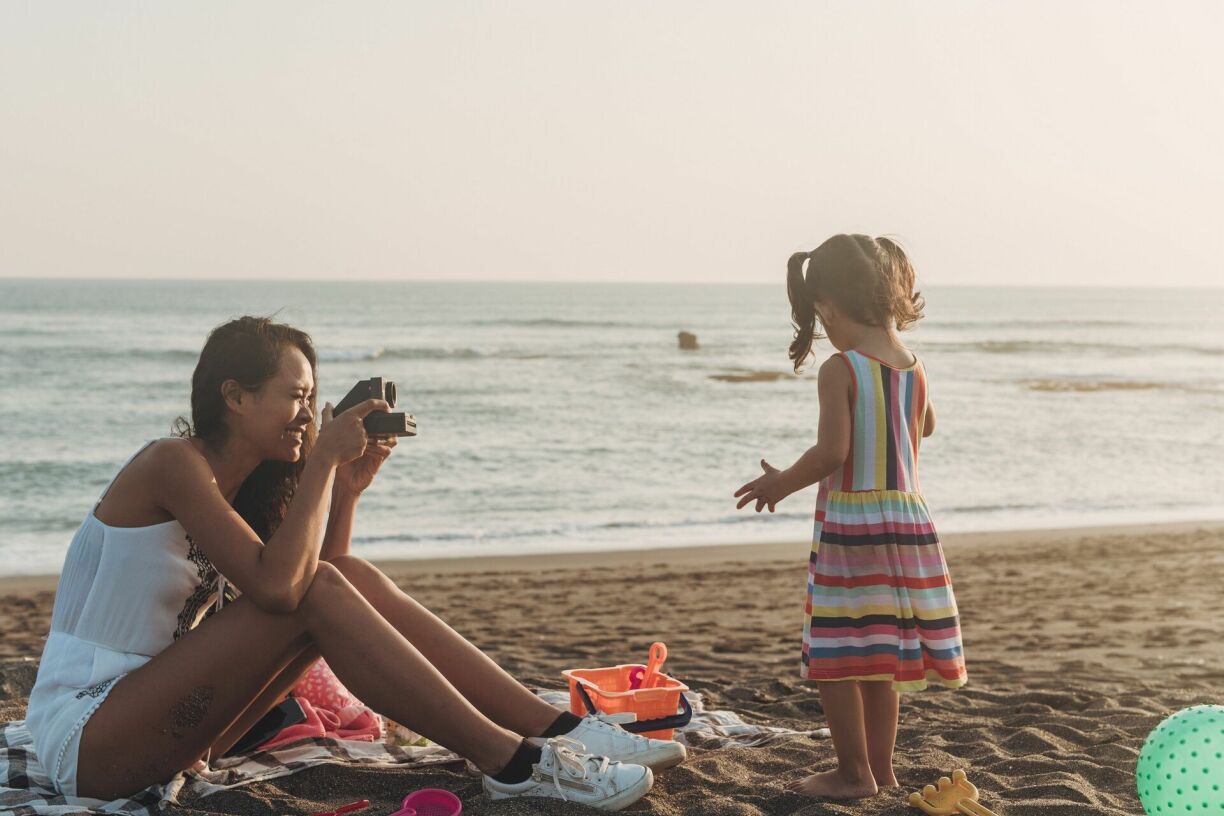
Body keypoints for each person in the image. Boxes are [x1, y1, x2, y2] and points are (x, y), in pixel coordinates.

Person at [25, 315, 685, 810]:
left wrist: (346, 489)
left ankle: (564, 730)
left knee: (353, 578)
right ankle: (513, 764)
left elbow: (329, 594)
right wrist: (320, 463)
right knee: (314, 588)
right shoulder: (172, 464)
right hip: (89, 736)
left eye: (312, 400)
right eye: (296, 396)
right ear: (235, 396)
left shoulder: (237, 494)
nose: (307, 414)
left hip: (169, 726)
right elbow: (285, 594)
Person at [734, 235, 967, 798]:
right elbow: (926, 426)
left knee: (836, 652)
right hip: (907, 527)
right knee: (880, 653)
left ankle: (853, 772)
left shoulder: (841, 369)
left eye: (820, 318)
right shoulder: (915, 367)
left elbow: (833, 453)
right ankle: (881, 771)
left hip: (854, 527)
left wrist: (781, 483)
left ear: (830, 307)